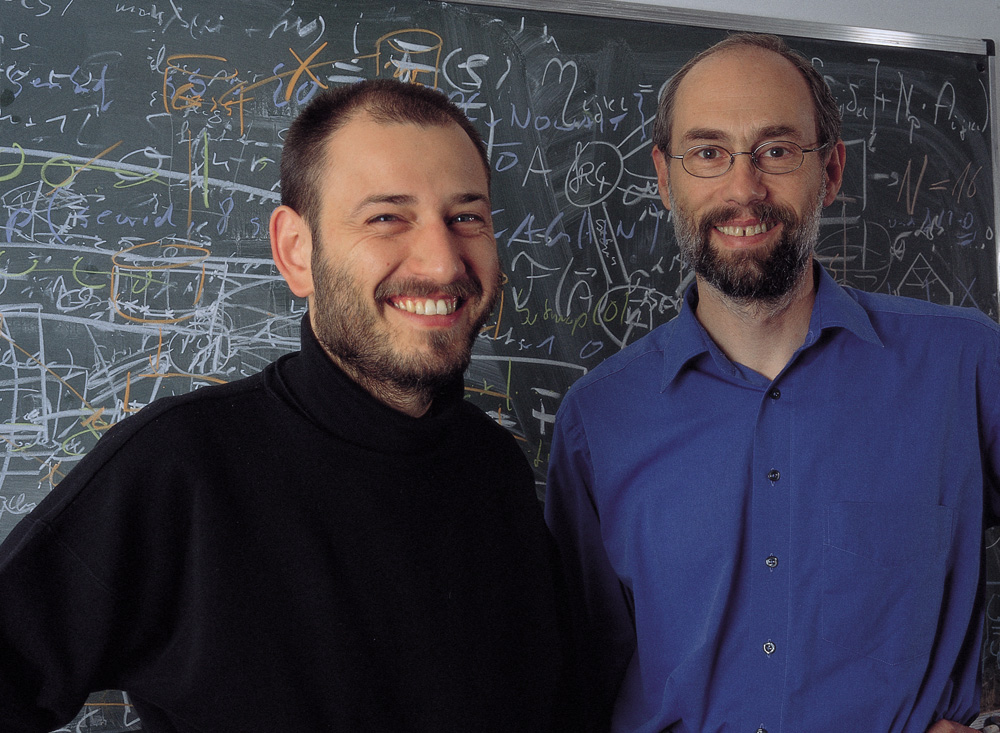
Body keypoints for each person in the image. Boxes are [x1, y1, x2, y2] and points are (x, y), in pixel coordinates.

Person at [0, 79, 576, 732]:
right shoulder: (177, 470)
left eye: (466, 217)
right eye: (387, 216)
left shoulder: (496, 469)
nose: (443, 262)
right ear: (294, 251)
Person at [544, 32, 1000, 733]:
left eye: (778, 150)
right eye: (708, 153)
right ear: (665, 178)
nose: (743, 188)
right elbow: (570, 675)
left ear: (832, 170)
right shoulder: (596, 421)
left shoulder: (965, 365)